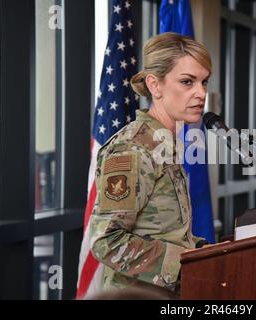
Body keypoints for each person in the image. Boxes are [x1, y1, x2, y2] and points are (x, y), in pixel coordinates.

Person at [88, 32, 213, 295]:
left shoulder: (164, 142)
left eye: (204, 82)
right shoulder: (133, 149)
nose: (201, 93)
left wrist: (206, 253)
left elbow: (163, 232)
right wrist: (184, 266)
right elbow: (107, 241)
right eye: (187, 82)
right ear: (155, 86)